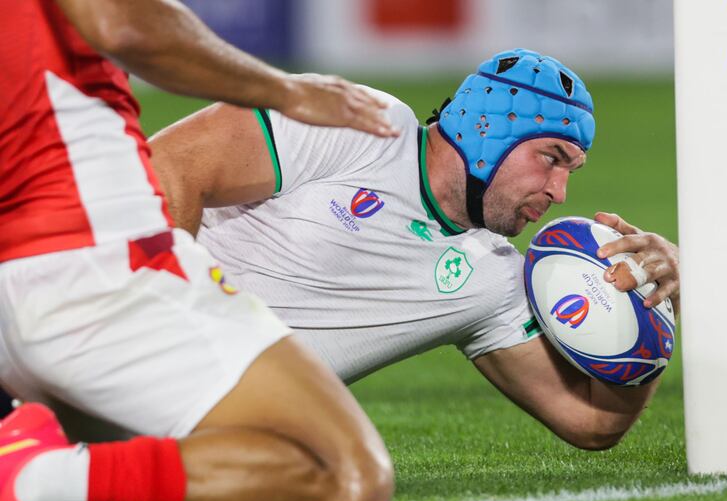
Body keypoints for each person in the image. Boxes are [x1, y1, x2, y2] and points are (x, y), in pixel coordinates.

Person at [149, 49, 681, 452]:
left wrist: (654, 313)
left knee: (345, 472)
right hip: (121, 328)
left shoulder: (494, 282)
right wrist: (172, 327)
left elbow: (590, 423)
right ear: (488, 131)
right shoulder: (359, 125)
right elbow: (168, 167)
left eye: (570, 171)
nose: (559, 193)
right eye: (551, 158)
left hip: (191, 416)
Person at [0, 0, 398, 501]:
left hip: (17, 285)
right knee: (346, 472)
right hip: (95, 264)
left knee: (144, 453)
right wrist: (288, 91)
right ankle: (35, 476)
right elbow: (122, 23)